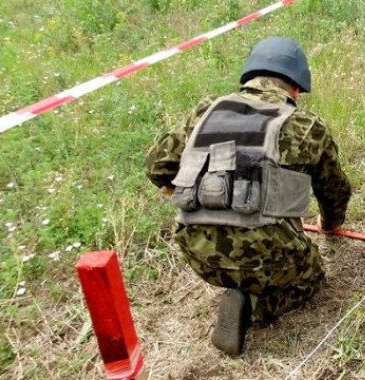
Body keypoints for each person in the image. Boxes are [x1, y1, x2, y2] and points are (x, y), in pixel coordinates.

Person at [144, 36, 351, 355]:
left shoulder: (206, 110)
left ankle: (234, 286)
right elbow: (334, 191)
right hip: (270, 255)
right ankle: (254, 305)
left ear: (249, 76)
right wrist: (329, 226)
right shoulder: (307, 125)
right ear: (295, 87)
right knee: (312, 276)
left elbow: (156, 166)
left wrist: (185, 185)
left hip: (200, 254)